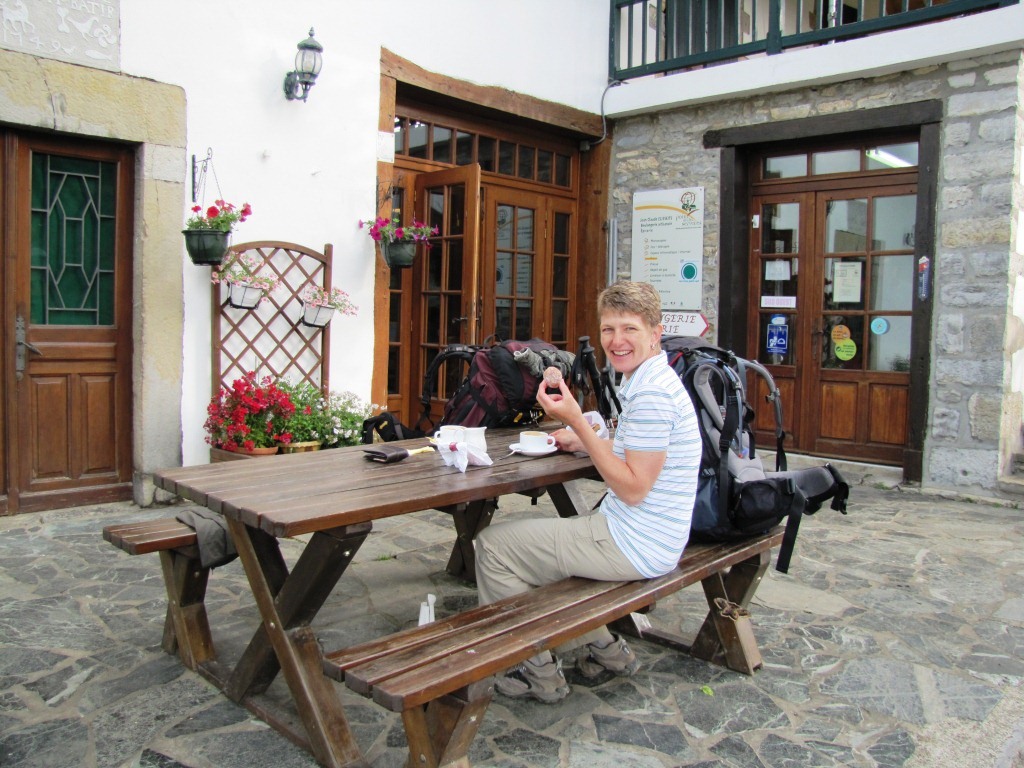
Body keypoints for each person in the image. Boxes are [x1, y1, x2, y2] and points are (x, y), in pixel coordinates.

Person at [474, 280, 702, 703]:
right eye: (608, 329)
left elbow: (633, 489)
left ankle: (536, 671)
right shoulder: (657, 378)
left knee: (493, 546)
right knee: (542, 548)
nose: (617, 341)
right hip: (655, 537)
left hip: (637, 543)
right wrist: (586, 441)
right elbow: (641, 453)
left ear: (655, 333)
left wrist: (578, 421)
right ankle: (604, 647)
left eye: (630, 329)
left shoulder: (651, 395)